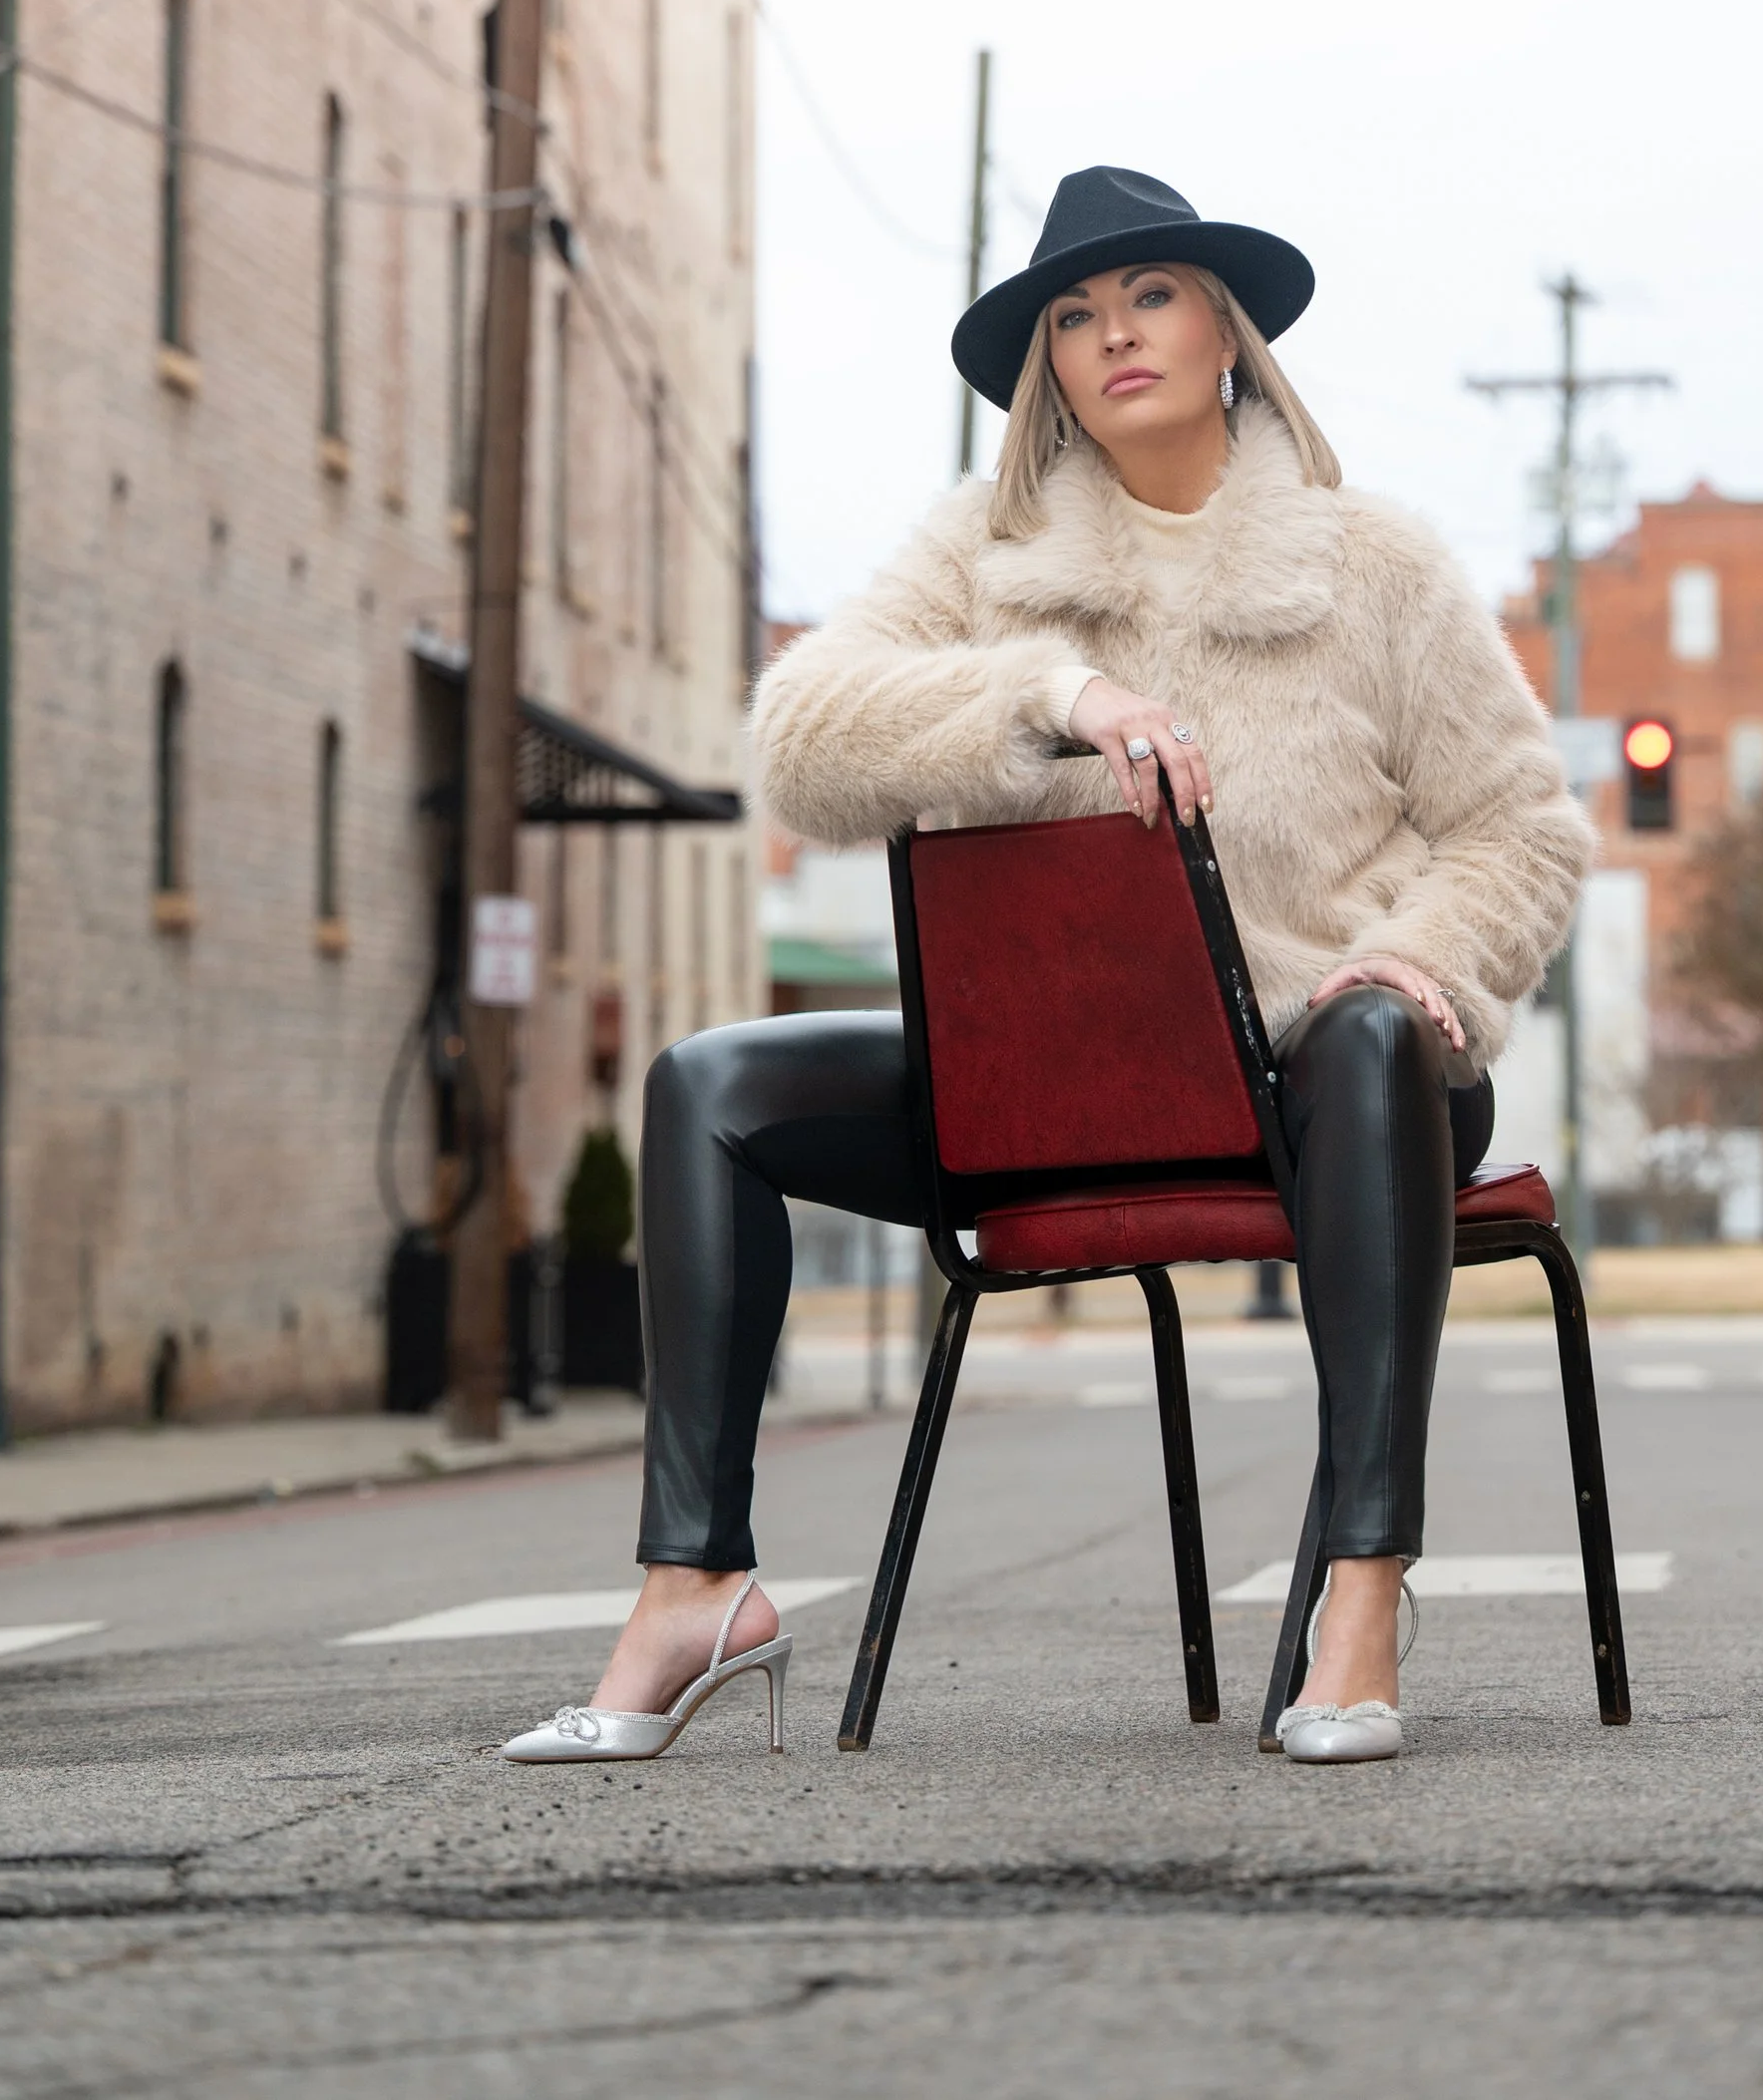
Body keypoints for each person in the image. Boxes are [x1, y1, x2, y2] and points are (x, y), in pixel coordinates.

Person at [503, 165, 1588, 1767]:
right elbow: (799, 738)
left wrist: (1414, 963)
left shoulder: (1377, 565)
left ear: (1225, 326)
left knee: (1365, 1035)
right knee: (709, 1083)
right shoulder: (985, 553)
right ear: (1051, 368)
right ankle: (694, 1586)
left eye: (1150, 295)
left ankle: (1363, 1587)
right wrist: (1051, 692)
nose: (1114, 334)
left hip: (1321, 1080)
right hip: (1056, 1079)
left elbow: (1523, 831)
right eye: (1074, 316)